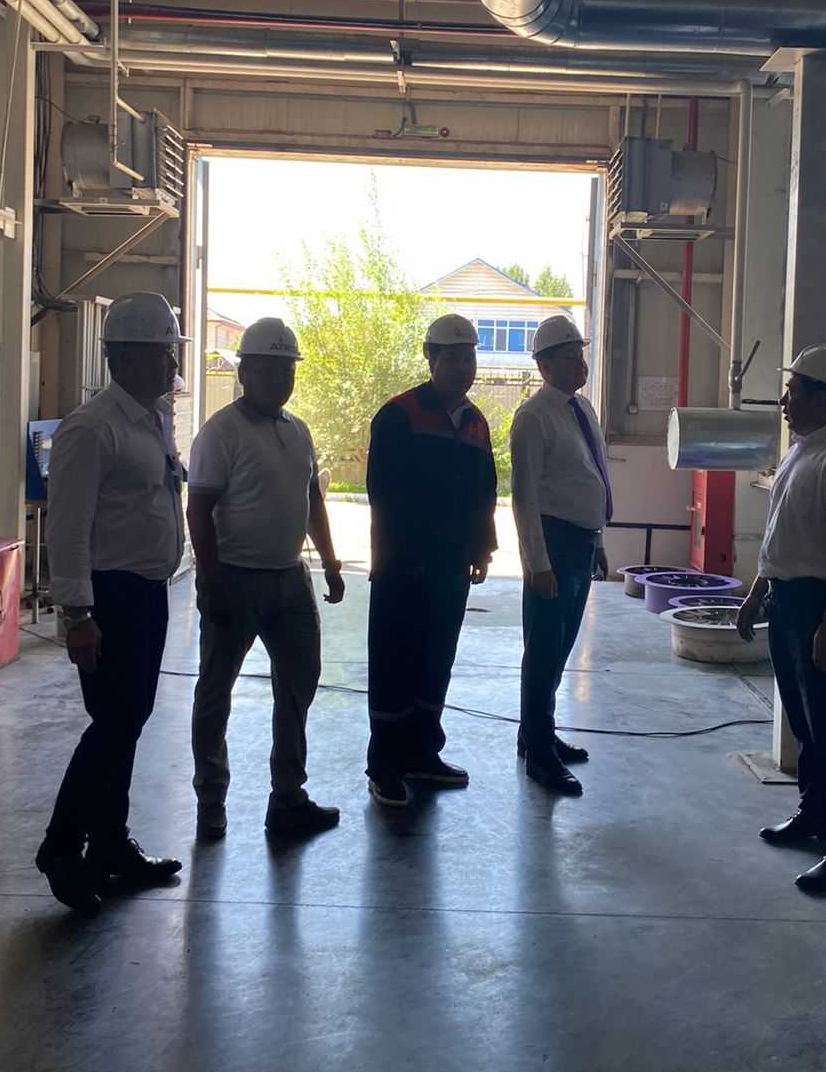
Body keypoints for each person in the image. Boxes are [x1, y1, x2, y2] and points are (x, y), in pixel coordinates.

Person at [35, 292, 187, 915]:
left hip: (147, 593)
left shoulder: (153, 419)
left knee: (130, 721)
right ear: (123, 357)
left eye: (171, 353)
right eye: (161, 354)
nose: (171, 364)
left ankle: (110, 844)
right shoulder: (92, 428)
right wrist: (78, 615)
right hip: (109, 598)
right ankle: (61, 849)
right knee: (114, 725)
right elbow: (67, 527)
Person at [187, 317, 345, 841]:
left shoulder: (297, 431)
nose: (281, 378)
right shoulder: (220, 433)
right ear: (244, 372)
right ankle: (211, 800)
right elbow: (199, 509)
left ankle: (288, 798)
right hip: (235, 579)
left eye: (288, 369)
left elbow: (312, 500)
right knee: (216, 692)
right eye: (269, 369)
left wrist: (330, 561)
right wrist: (211, 581)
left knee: (298, 687)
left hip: (290, 580)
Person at [737, 345, 826, 893]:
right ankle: (815, 815)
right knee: (804, 723)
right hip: (790, 600)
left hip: (823, 604)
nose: (784, 400)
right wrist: (757, 593)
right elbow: (781, 535)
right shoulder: (803, 450)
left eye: (792, 391)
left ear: (821, 397)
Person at [365, 314, 498, 808]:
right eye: (454, 357)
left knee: (437, 659)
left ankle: (422, 754)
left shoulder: (475, 422)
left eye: (470, 357)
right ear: (430, 357)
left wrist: (482, 548)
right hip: (403, 568)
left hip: (451, 568)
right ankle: (385, 765)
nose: (464, 367)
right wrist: (400, 556)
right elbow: (384, 495)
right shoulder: (399, 415)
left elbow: (485, 492)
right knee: (394, 662)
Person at [510, 315, 611, 796]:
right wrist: (537, 563)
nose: (580, 363)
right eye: (570, 356)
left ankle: (538, 734)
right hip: (553, 544)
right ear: (545, 365)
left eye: (580, 354)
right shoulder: (534, 417)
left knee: (563, 644)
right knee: (543, 648)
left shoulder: (582, 409)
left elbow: (594, 476)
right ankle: (539, 755)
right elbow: (524, 496)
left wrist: (600, 541)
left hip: (582, 543)